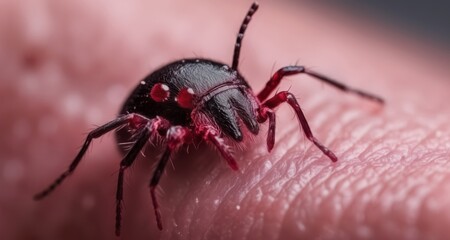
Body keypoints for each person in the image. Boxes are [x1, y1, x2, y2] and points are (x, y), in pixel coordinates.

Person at [2, 1, 450, 239]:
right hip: (161, 111)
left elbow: (278, 94)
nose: (245, 127)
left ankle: (347, 104)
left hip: (207, 84)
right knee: (134, 144)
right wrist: (149, 189)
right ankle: (71, 178)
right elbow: (143, 139)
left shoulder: (246, 93)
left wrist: (310, 140)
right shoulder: (173, 123)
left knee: (290, 77)